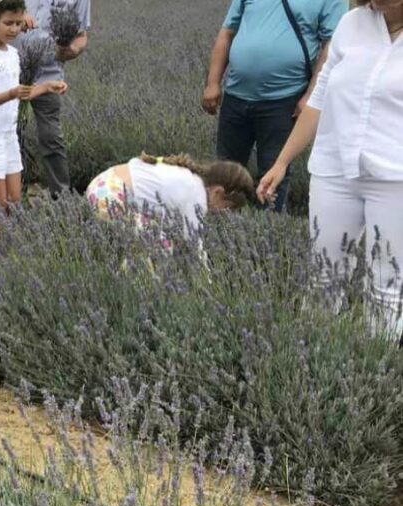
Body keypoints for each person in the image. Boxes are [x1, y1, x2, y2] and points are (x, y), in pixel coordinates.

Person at [258, 0, 403, 342]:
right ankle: (318, 364)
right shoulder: (352, 24)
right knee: (324, 276)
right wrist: (282, 161)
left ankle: (378, 377)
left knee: (388, 284)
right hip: (334, 169)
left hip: (396, 177)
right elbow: (319, 98)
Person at [202, 0, 347, 212]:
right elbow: (227, 33)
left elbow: (331, 46)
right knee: (223, 175)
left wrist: (310, 95)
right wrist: (213, 83)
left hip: (283, 100)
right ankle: (219, 230)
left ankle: (267, 226)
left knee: (272, 176)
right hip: (235, 96)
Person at [0, 0, 67, 270]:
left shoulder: (12, 55)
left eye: (19, 24)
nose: (14, 29)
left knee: (15, 203)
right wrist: (10, 94)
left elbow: (23, 92)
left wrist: (48, 87)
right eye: (8, 23)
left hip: (7, 135)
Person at [17, 0, 91, 198]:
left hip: (49, 73)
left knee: (51, 137)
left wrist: (73, 49)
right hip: (10, 65)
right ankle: (13, 195)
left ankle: (62, 200)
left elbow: (81, 36)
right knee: (10, 132)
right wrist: (18, 14)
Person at [86, 154, 255, 240]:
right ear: (218, 192)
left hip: (102, 184)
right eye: (226, 208)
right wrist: (206, 282)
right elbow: (193, 242)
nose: (222, 214)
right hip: (109, 197)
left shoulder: (188, 176)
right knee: (159, 244)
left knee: (155, 232)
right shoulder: (196, 195)